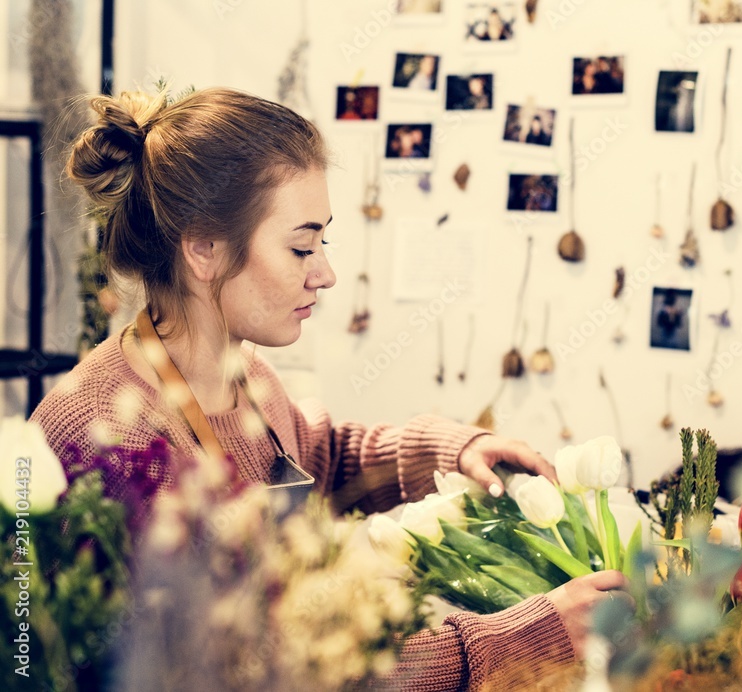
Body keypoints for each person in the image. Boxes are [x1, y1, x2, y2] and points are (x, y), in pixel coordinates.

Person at [30, 87, 626, 690]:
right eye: (300, 247)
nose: (326, 273)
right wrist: (515, 640)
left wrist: (448, 452)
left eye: (323, 242)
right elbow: (266, 665)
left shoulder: (247, 376)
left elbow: (321, 455)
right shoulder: (110, 438)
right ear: (204, 249)